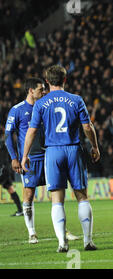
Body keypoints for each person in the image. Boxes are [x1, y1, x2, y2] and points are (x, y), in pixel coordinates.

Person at [21, 65, 100, 252]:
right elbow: (87, 127)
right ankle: (87, 241)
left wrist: (25, 155)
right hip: (73, 149)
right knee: (82, 196)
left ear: (47, 82)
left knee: (57, 199)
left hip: (53, 152)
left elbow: (31, 131)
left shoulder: (41, 103)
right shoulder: (76, 99)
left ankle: (62, 243)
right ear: (65, 80)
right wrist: (95, 146)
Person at [5, 78, 79, 243]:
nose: (44, 92)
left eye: (45, 89)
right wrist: (14, 158)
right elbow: (8, 136)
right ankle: (32, 232)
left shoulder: (47, 106)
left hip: (49, 155)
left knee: (56, 194)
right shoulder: (17, 110)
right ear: (31, 90)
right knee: (29, 194)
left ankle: (63, 231)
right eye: (41, 89)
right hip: (30, 159)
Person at [0, 142, 23, 217]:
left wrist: (4, 167)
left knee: (10, 188)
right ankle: (20, 210)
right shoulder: (5, 143)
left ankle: (20, 210)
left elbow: (4, 158)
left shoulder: (3, 144)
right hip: (5, 168)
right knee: (10, 188)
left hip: (3, 169)